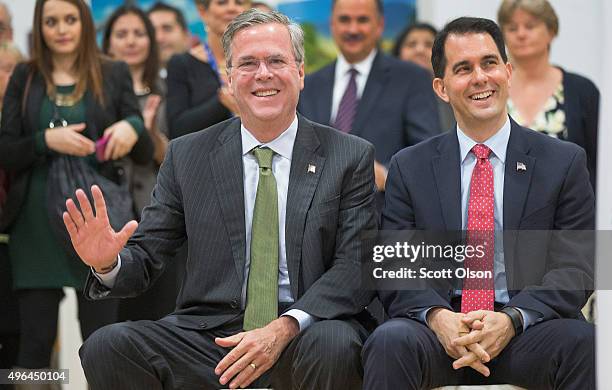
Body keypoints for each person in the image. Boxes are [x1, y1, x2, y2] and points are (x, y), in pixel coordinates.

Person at [67, 9, 376, 390]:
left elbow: (355, 267)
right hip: (210, 335)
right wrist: (107, 262)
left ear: (300, 72)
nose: (263, 74)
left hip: (305, 330)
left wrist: (284, 326)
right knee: (108, 346)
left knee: (335, 344)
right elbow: (148, 255)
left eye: (276, 61)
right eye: (247, 63)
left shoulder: (349, 155)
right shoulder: (188, 155)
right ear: (230, 79)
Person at [362, 17, 594, 389]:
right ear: (441, 87)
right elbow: (395, 264)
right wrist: (439, 317)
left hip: (525, 330)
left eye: (488, 63)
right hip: (440, 331)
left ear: (507, 70)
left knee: (586, 344)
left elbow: (577, 267)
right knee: (389, 342)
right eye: (463, 69)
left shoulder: (563, 161)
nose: (480, 78)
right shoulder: (410, 166)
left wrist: (512, 319)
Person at [0, 0, 152, 370]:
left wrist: (132, 127)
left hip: (96, 219)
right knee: (34, 343)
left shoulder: (112, 72)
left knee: (102, 341)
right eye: (51, 22)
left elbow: (146, 151)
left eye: (70, 19)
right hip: (34, 226)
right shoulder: (26, 75)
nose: (61, 29)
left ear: (84, 23)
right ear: (40, 26)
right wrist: (45, 142)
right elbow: (6, 150)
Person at [298, 0, 439, 195]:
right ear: (332, 24)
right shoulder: (308, 85)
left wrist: (388, 175)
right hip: (318, 216)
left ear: (380, 25)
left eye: (362, 20)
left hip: (381, 213)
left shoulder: (411, 78)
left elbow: (427, 149)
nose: (353, 29)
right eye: (344, 20)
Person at [103, 5, 181, 323]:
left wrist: (149, 135)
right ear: (107, 43)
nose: (131, 41)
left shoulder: (167, 91)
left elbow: (175, 157)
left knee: (158, 317)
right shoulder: (96, 93)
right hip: (108, 216)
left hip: (157, 218)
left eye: (139, 33)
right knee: (106, 325)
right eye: (121, 34)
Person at [498, 0, 599, 189]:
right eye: (512, 28)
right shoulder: (494, 89)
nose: (521, 34)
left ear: (551, 31)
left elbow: (599, 160)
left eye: (530, 26)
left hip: (570, 209)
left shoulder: (582, 91)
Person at [166, 0, 249, 139]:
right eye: (222, 3)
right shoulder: (182, 64)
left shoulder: (261, 63)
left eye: (239, 2)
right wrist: (222, 102)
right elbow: (177, 129)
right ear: (202, 11)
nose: (232, 8)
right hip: (205, 156)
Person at [392, 22, 455, 130]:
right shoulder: (386, 93)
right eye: (411, 44)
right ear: (398, 52)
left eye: (428, 45)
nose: (420, 50)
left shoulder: (452, 93)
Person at [147, 2, 190, 72]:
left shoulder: (207, 74)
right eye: (152, 31)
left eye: (167, 29)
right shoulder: (130, 81)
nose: (159, 38)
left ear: (186, 36)